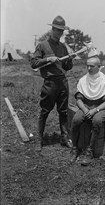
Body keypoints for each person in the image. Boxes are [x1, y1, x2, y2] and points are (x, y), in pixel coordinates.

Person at [30, 15, 75, 151]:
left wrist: (69, 59)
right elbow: (33, 63)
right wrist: (48, 59)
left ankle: (64, 138)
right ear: (52, 29)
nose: (60, 33)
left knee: (63, 112)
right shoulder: (43, 45)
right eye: (57, 30)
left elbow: (67, 67)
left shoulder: (63, 47)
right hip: (50, 83)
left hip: (62, 82)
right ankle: (39, 139)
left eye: (62, 31)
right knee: (45, 111)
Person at [70, 55, 105, 166]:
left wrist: (95, 110)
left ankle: (89, 151)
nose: (89, 68)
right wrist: (85, 110)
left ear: (99, 67)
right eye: (87, 66)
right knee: (76, 120)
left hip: (100, 107)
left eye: (92, 66)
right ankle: (75, 149)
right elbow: (79, 99)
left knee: (97, 121)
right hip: (85, 106)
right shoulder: (83, 80)